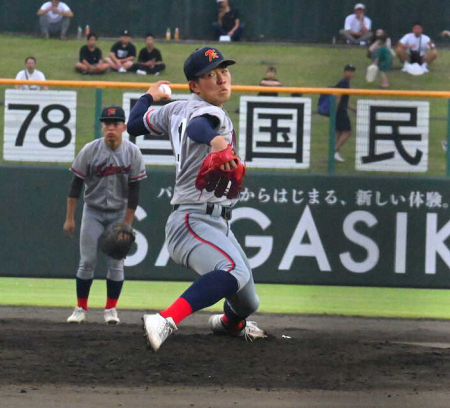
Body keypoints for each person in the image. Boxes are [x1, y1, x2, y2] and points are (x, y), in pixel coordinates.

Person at [127, 47, 266, 352]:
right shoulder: (209, 113)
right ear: (194, 85)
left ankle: (229, 324)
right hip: (193, 219)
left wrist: (150, 95)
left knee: (247, 300)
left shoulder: (173, 109)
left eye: (224, 71)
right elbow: (198, 127)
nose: (221, 79)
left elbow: (134, 123)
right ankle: (165, 319)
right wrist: (216, 141)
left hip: (212, 221)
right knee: (233, 272)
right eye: (210, 75)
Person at [64, 106, 146, 324]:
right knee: (87, 261)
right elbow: (75, 186)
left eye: (116, 123)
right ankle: (81, 308)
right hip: (93, 211)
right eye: (107, 123)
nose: (111, 127)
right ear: (102, 126)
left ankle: (111, 310)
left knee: (116, 263)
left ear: (124, 127)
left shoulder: (132, 152)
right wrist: (70, 218)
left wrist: (127, 224)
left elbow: (135, 190)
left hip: (119, 213)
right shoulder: (90, 150)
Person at [334, 64, 356, 162]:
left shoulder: (344, 83)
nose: (350, 73)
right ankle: (334, 151)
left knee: (339, 132)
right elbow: (338, 96)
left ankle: (334, 153)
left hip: (340, 109)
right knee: (347, 132)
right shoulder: (344, 83)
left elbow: (344, 100)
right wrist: (335, 109)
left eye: (352, 71)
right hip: (340, 111)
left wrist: (352, 108)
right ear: (344, 72)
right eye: (348, 71)